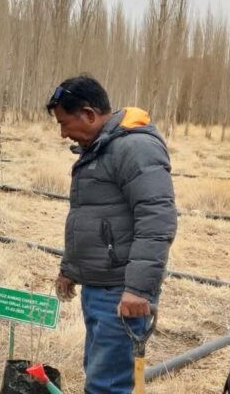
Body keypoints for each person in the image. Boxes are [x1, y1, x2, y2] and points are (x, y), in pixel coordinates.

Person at [46, 75, 177, 393]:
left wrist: (138, 290)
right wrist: (70, 269)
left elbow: (157, 220)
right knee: (99, 374)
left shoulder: (135, 147)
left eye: (65, 123)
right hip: (100, 288)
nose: (63, 133)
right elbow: (91, 218)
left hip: (121, 293)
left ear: (89, 114)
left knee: (108, 385)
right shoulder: (99, 148)